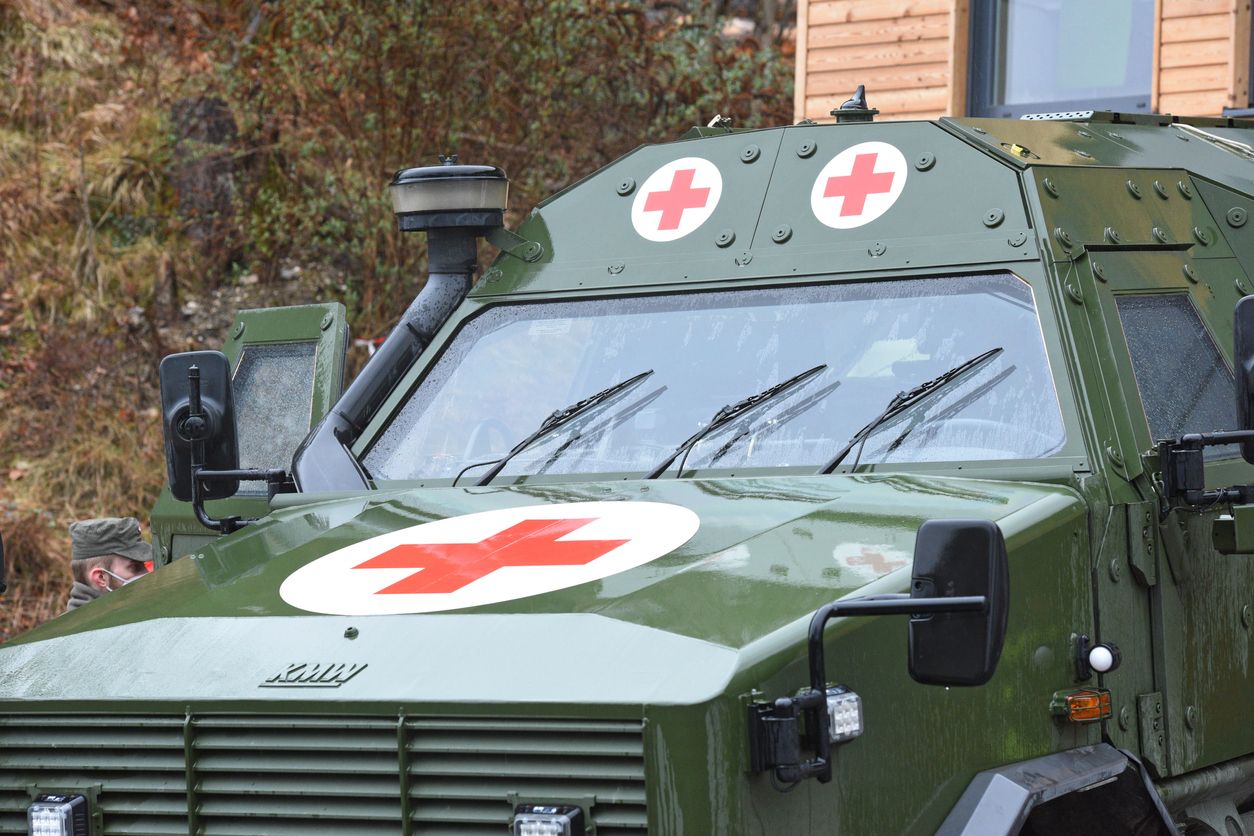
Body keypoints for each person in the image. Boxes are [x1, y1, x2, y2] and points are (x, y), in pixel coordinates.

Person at [65, 517, 151, 612]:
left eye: (144, 565)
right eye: (135, 568)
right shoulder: (89, 626)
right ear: (101, 577)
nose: (147, 572)